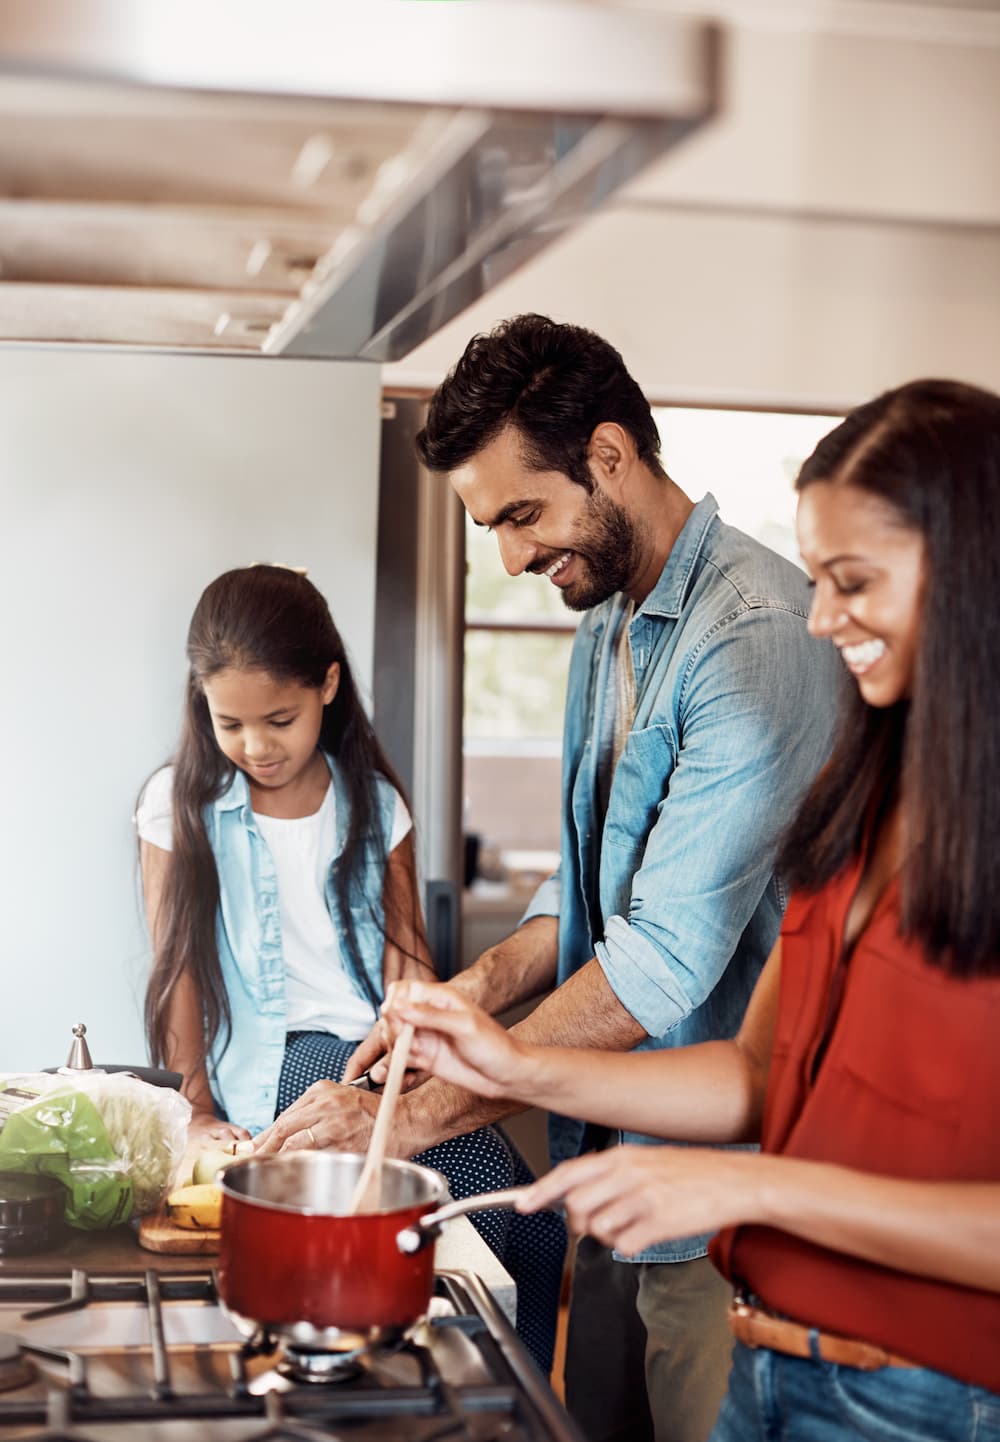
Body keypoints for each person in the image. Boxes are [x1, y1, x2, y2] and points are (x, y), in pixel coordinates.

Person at [379, 377, 1000, 1442]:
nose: (819, 618)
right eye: (817, 578)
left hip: (919, 1394)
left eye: (851, 580)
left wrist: (748, 1191)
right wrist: (512, 1064)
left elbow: (665, 960)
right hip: (772, 1351)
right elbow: (759, 1074)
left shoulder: (748, 642)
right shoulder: (865, 797)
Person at [255, 316, 838, 1441]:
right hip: (606, 1173)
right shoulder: (609, 618)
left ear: (609, 456)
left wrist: (405, 1113)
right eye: (492, 528)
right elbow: (579, 888)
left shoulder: (754, 639)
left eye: (522, 515)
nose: (512, 558)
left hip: (722, 1205)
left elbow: (651, 970)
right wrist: (474, 988)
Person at [136, 564, 565, 1372]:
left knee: (537, 1216)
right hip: (281, 1060)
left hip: (371, 1054)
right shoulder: (177, 806)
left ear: (328, 684)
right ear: (201, 702)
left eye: (280, 719)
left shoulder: (374, 804)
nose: (257, 746)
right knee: (468, 1177)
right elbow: (177, 968)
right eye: (229, 722)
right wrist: (192, 1106)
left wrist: (425, 1068)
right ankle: (430, 1382)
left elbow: (409, 965)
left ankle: (509, 1405)